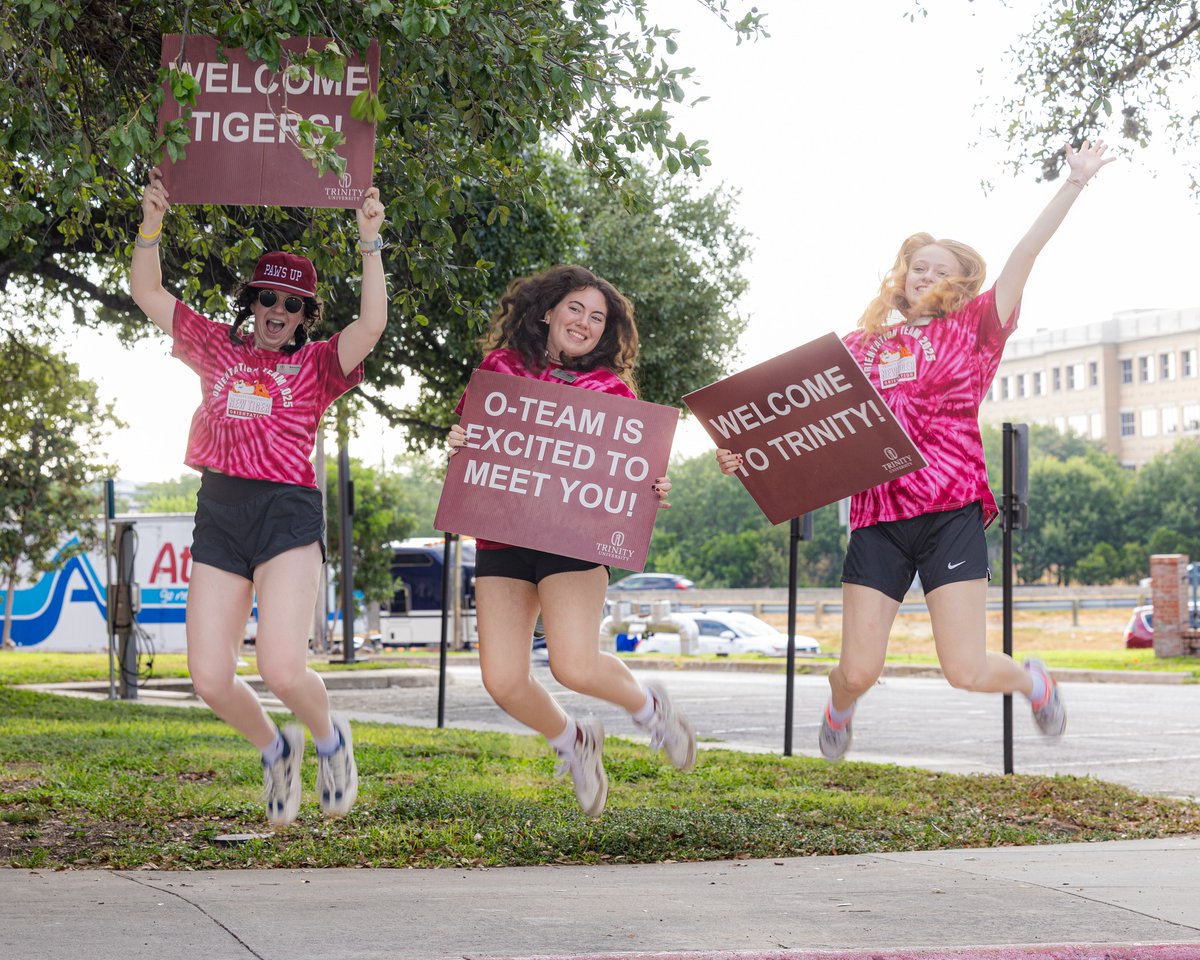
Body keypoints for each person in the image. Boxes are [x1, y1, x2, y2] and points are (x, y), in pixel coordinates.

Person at [718, 140, 1115, 760]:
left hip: (951, 511)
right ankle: (839, 706)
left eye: (940, 269)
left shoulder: (977, 328)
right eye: (917, 266)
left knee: (966, 670)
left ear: (960, 283)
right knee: (856, 672)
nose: (925, 275)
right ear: (901, 277)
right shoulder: (862, 345)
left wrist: (1075, 182)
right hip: (877, 517)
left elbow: (1025, 252)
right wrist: (743, 452)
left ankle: (1034, 681)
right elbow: (802, 424)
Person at [130, 167, 388, 824]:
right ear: (252, 301)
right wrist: (151, 224)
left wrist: (369, 244)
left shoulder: (318, 366)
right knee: (211, 678)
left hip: (286, 512)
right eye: (269, 299)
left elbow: (372, 324)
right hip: (220, 509)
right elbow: (146, 288)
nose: (279, 312)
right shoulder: (214, 346)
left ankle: (332, 741)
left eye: (293, 304)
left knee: (280, 666)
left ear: (306, 317)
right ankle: (277, 749)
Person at [447, 265, 696, 817]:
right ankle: (573, 741)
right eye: (575, 309)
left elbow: (632, 468)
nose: (584, 322)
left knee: (574, 665)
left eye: (597, 317)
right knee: (504, 681)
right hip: (503, 533)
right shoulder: (500, 369)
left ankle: (651, 710)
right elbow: (479, 443)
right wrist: (459, 437)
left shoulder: (611, 389)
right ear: (548, 312)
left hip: (575, 537)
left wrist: (653, 484)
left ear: (605, 333)